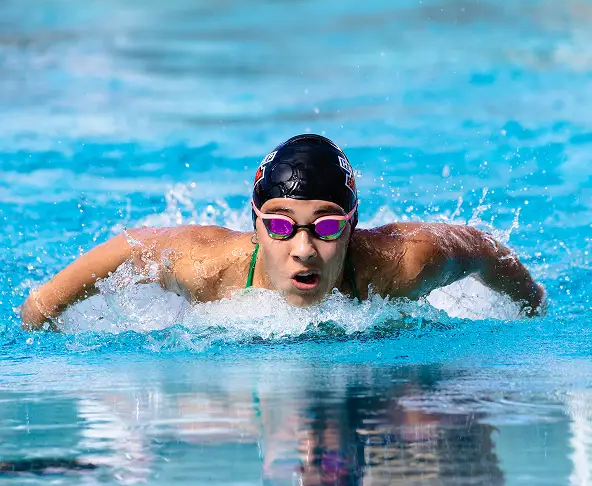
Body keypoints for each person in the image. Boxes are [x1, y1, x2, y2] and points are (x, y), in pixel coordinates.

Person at [20, 134, 546, 330]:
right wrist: (39, 315)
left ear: (352, 226)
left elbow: (481, 248)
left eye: (326, 226)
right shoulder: (208, 269)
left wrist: (533, 308)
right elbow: (121, 251)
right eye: (278, 225)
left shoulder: (403, 264)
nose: (303, 250)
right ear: (254, 228)